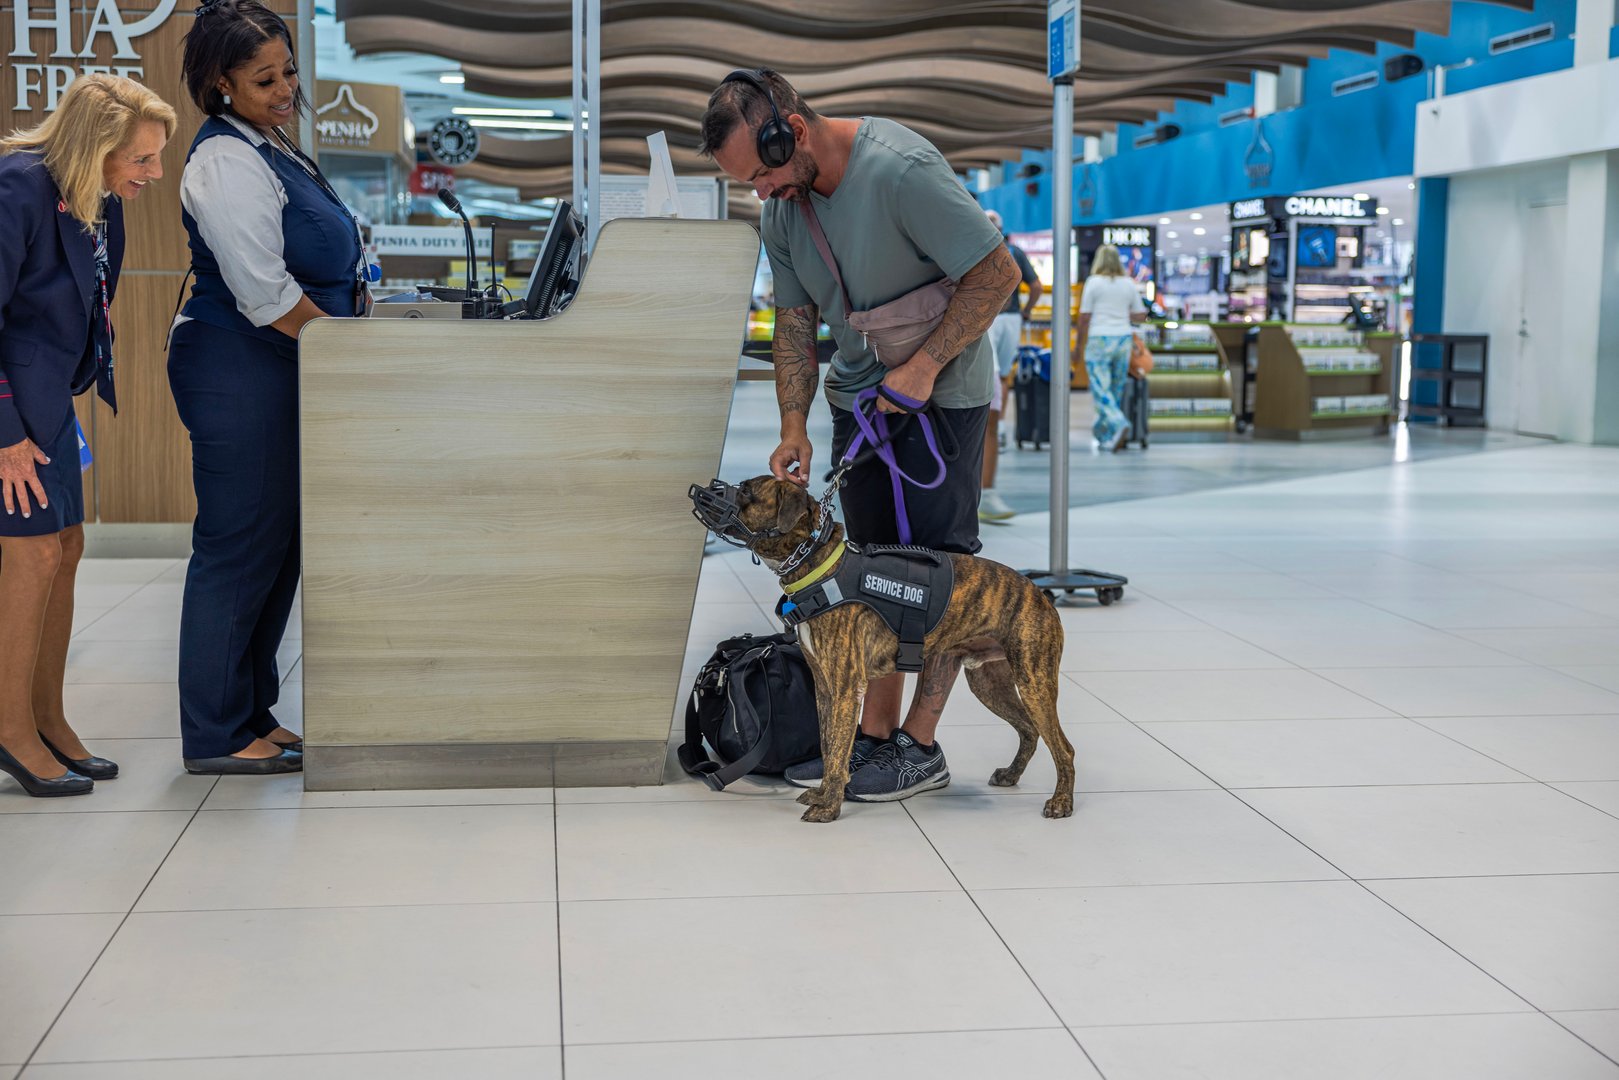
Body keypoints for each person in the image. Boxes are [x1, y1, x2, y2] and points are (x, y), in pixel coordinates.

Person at [700, 68, 1019, 803]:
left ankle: (920, 746)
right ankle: (872, 740)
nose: (761, 193)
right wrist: (792, 424)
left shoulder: (900, 170)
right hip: (860, 401)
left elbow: (995, 274)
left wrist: (926, 366)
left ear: (794, 132)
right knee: (869, 572)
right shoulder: (784, 211)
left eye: (762, 173)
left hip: (942, 401)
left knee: (940, 576)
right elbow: (793, 323)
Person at [169, 0, 366, 775]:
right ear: (222, 84)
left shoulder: (271, 144)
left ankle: (252, 711)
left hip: (289, 365)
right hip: (239, 367)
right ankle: (215, 733)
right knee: (238, 545)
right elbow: (264, 292)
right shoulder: (224, 159)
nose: (285, 88)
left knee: (278, 545)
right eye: (264, 79)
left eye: (287, 71)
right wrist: (349, 351)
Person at [0, 75, 175, 797]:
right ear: (95, 145)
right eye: (141, 159)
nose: (154, 173)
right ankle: (10, 730)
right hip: (12, 411)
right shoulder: (17, 188)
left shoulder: (96, 198)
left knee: (66, 549)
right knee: (33, 556)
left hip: (50, 405)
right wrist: (6, 435)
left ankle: (47, 718)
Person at [978, 208, 1041, 522]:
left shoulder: (971, 246)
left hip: (985, 322)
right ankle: (998, 422)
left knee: (990, 381)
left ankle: (995, 421)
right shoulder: (1013, 251)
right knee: (1000, 375)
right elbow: (1037, 286)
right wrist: (1025, 311)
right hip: (1011, 318)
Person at [1077, 244, 1147, 453]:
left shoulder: (1093, 282)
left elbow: (1084, 317)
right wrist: (1123, 314)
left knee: (1100, 389)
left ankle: (1118, 423)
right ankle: (1105, 435)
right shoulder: (1128, 284)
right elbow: (1141, 315)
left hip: (1099, 338)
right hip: (1123, 339)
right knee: (1114, 391)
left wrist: (1078, 345)